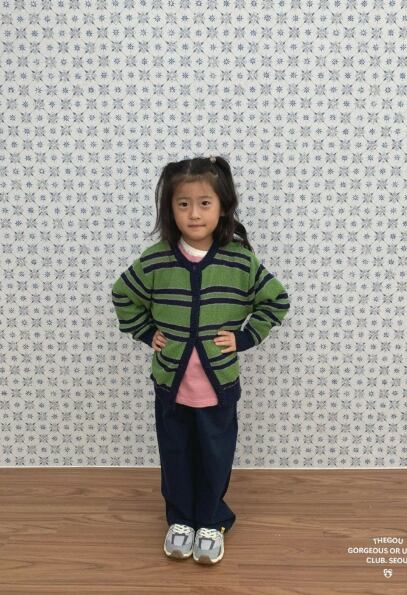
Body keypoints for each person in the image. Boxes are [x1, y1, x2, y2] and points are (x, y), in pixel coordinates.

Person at [111, 155, 290, 564]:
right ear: (170, 209)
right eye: (183, 203)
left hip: (218, 386)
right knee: (175, 454)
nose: (194, 213)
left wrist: (244, 337)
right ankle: (179, 520)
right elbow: (123, 294)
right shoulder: (156, 260)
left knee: (214, 456)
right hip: (171, 385)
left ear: (223, 206)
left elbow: (276, 300)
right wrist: (146, 332)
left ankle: (211, 520)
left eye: (204, 203)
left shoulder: (239, 260)